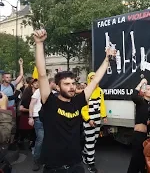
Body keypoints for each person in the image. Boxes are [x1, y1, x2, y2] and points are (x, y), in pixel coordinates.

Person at [33, 29, 116, 173]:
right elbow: (41, 74)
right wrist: (39, 44)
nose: (72, 87)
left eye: (73, 83)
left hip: (75, 165)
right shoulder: (50, 102)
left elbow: (95, 79)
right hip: (54, 167)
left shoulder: (78, 101)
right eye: (67, 84)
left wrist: (107, 59)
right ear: (57, 87)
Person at [81, 72, 107, 173]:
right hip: (89, 121)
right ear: (88, 80)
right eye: (91, 78)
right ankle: (90, 163)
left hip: (97, 120)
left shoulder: (100, 91)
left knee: (94, 140)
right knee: (90, 141)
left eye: (94, 78)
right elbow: (83, 108)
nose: (93, 80)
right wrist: (88, 119)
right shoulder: (86, 92)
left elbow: (102, 104)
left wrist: (104, 116)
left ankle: (85, 153)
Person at [28, 78, 56, 171]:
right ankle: (36, 160)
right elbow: (31, 104)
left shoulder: (54, 93)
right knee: (41, 139)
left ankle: (47, 159)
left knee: (50, 139)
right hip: (38, 118)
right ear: (51, 83)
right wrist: (31, 117)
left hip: (50, 119)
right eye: (55, 83)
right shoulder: (39, 91)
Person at [127, 78, 150, 173]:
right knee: (136, 161)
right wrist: (141, 83)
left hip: (147, 137)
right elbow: (133, 95)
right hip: (138, 136)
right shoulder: (140, 101)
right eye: (149, 89)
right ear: (144, 92)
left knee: (143, 162)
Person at [19, 79, 39, 150]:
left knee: (34, 132)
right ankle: (20, 142)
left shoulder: (39, 93)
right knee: (24, 131)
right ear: (31, 84)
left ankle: (32, 145)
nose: (37, 84)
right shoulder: (27, 93)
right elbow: (21, 108)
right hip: (26, 115)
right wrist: (31, 111)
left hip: (36, 116)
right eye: (35, 83)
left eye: (38, 82)